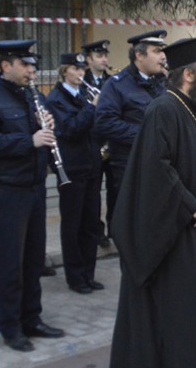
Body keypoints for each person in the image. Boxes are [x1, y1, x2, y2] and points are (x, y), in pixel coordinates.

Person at [110, 37, 196, 368]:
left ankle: (178, 364)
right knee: (189, 300)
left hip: (193, 223)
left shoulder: (191, 108)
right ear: (188, 74)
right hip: (179, 222)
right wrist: (189, 205)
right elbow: (156, 167)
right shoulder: (164, 109)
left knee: (188, 299)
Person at [0, 40, 65, 352]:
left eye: (33, 65)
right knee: (11, 260)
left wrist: (47, 125)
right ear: (5, 65)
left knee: (34, 258)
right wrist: (30, 140)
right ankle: (10, 327)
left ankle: (31, 317)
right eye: (25, 65)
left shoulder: (31, 94)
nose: (31, 71)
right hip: (6, 189)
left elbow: (43, 131)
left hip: (34, 185)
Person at [94, 30, 167, 223]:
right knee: (134, 221)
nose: (163, 56)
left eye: (162, 51)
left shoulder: (163, 82)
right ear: (139, 55)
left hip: (161, 164)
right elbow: (105, 122)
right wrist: (144, 135)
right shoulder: (117, 85)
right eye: (157, 51)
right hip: (130, 165)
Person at [47, 53, 104, 295]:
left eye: (82, 68)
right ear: (64, 72)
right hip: (72, 169)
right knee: (73, 224)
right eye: (75, 69)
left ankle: (88, 273)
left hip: (91, 165)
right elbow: (70, 130)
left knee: (90, 223)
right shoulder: (56, 99)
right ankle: (75, 276)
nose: (81, 73)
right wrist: (92, 108)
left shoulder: (82, 94)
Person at [81, 39, 114, 248]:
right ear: (88, 59)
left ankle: (115, 229)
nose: (104, 59)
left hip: (111, 143)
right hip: (92, 143)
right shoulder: (81, 81)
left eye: (105, 55)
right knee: (93, 194)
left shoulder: (113, 81)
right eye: (99, 56)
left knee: (115, 190)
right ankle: (97, 231)